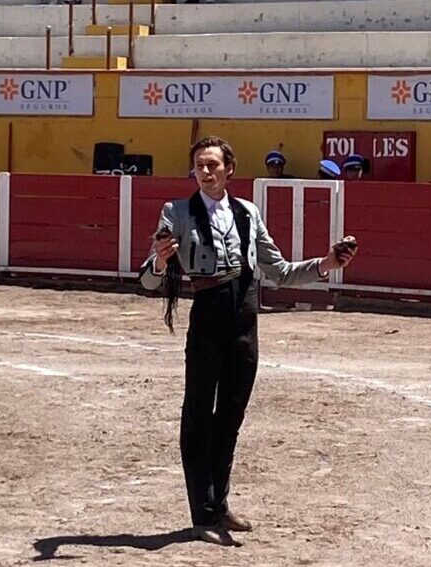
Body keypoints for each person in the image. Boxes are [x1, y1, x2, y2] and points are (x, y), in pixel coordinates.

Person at [141, 136, 357, 546]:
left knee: (231, 417)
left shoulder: (247, 213)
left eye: (212, 165)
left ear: (229, 170)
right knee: (199, 415)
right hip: (207, 319)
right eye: (199, 166)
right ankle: (201, 511)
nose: (205, 172)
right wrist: (159, 260)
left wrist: (326, 264)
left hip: (244, 319)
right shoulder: (177, 212)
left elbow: (277, 271)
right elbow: (150, 280)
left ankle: (219, 506)